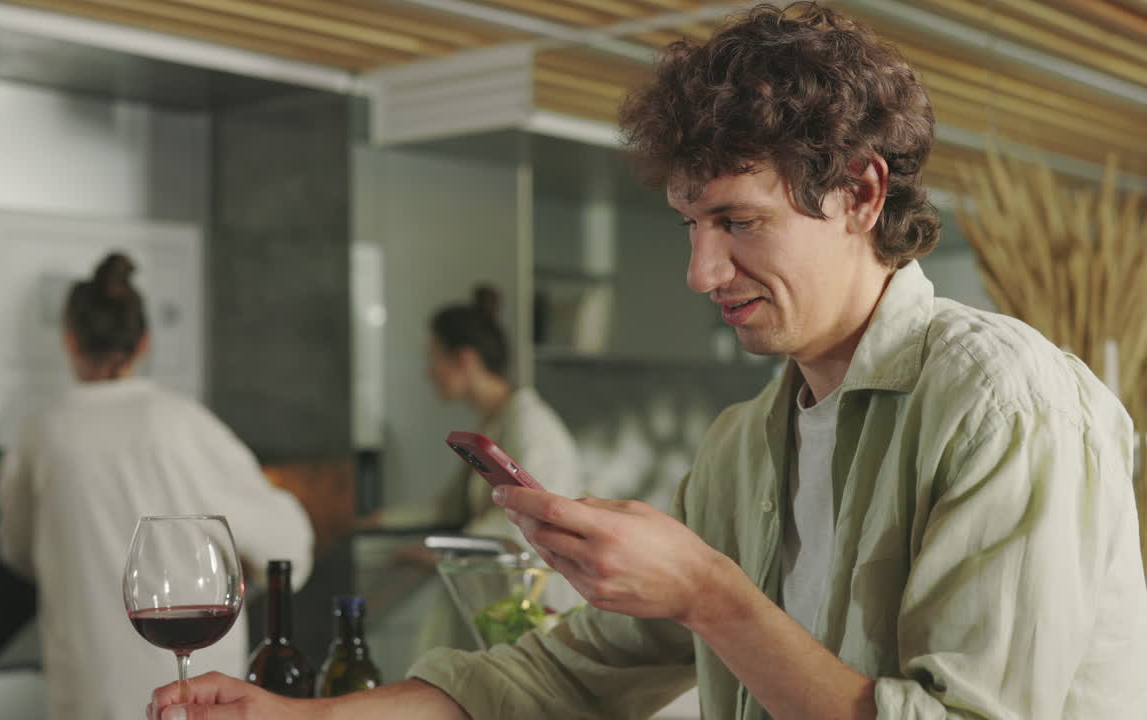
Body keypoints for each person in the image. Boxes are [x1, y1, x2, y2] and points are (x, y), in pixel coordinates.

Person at [149, 3, 1147, 719]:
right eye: (686, 224)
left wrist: (709, 592)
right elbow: (561, 679)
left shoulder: (1002, 402)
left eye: (736, 222)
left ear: (858, 191)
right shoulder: (745, 443)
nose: (700, 269)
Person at [0, 253, 315, 720]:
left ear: (69, 339)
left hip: (88, 691)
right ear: (143, 343)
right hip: (202, 696)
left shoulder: (42, 432)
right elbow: (286, 542)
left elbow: (17, 550)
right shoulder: (181, 422)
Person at [366, 285, 584, 652]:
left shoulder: (530, 427)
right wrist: (380, 520)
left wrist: (440, 548)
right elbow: (451, 505)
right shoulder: (494, 424)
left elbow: (535, 513)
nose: (428, 372)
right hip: (499, 600)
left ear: (465, 360)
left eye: (434, 358)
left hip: (537, 601)